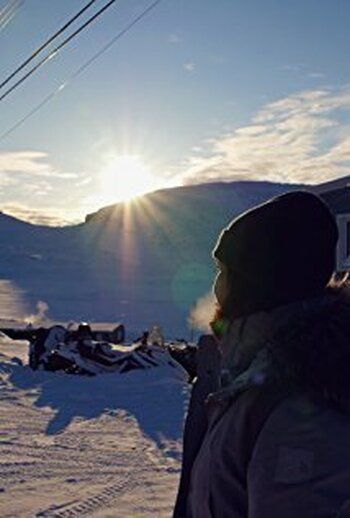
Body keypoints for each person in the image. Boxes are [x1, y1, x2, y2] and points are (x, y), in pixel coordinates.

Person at [174, 191, 350, 518]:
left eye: (223, 270)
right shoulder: (246, 379)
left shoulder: (303, 406)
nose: (215, 286)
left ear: (254, 283)